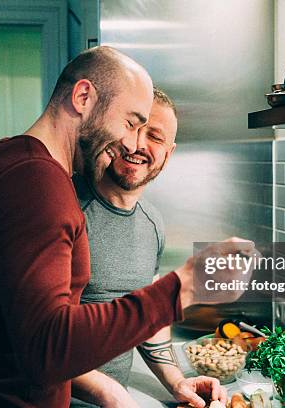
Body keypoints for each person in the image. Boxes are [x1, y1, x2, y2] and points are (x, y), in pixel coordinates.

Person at [0, 46, 253, 408]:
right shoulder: (38, 184)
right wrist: (184, 287)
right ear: (83, 97)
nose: (130, 142)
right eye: (130, 122)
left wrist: (173, 377)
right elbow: (47, 347)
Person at [71, 88, 222, 408]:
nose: (138, 144)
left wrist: (177, 381)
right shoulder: (67, 209)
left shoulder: (151, 223)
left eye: (154, 136)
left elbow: (146, 319)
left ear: (169, 152)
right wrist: (108, 392)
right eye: (131, 128)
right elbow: (32, 335)